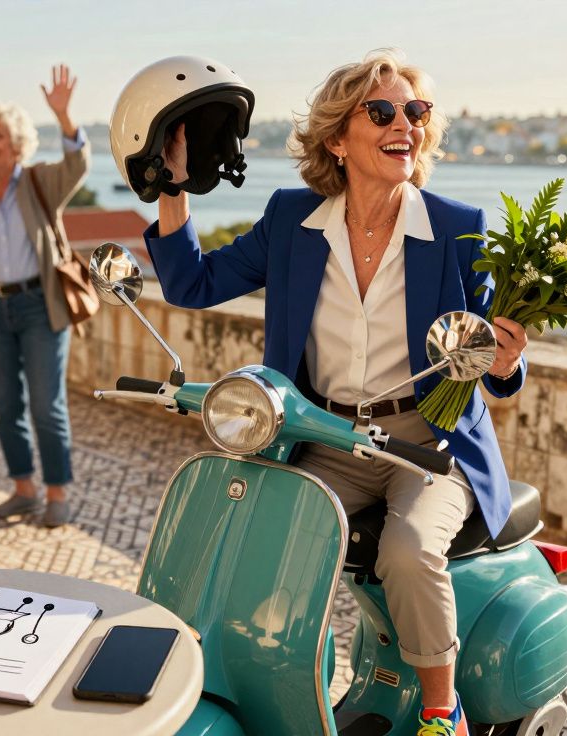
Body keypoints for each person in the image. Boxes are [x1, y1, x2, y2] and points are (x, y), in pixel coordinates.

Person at [145, 49, 528, 736]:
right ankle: (280, 687)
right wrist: (172, 186)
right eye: (381, 112)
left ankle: (444, 710)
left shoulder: (456, 228)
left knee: (408, 551)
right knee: (260, 538)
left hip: (428, 441)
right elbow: (191, 285)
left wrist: (503, 358)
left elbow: (493, 365)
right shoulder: (293, 222)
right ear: (336, 138)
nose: (403, 124)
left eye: (415, 111)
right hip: (327, 435)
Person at [0, 65, 89, 528]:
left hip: (39, 305)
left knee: (47, 406)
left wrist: (65, 117)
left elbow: (78, 164)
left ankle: (56, 492)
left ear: (17, 143)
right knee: (6, 407)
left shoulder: (39, 180)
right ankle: (23, 490)